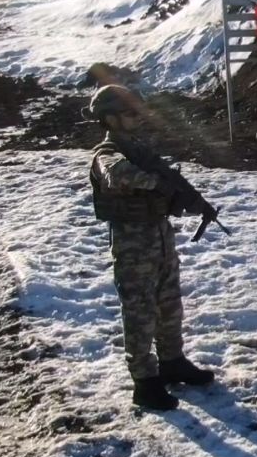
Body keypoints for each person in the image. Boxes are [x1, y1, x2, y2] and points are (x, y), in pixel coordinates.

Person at [86, 85, 215, 411]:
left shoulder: (139, 149)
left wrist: (192, 200)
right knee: (140, 310)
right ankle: (144, 381)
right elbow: (116, 175)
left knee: (169, 303)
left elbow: (163, 178)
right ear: (110, 118)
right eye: (129, 113)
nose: (137, 118)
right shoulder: (109, 151)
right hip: (133, 243)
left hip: (158, 236)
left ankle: (172, 361)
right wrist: (161, 185)